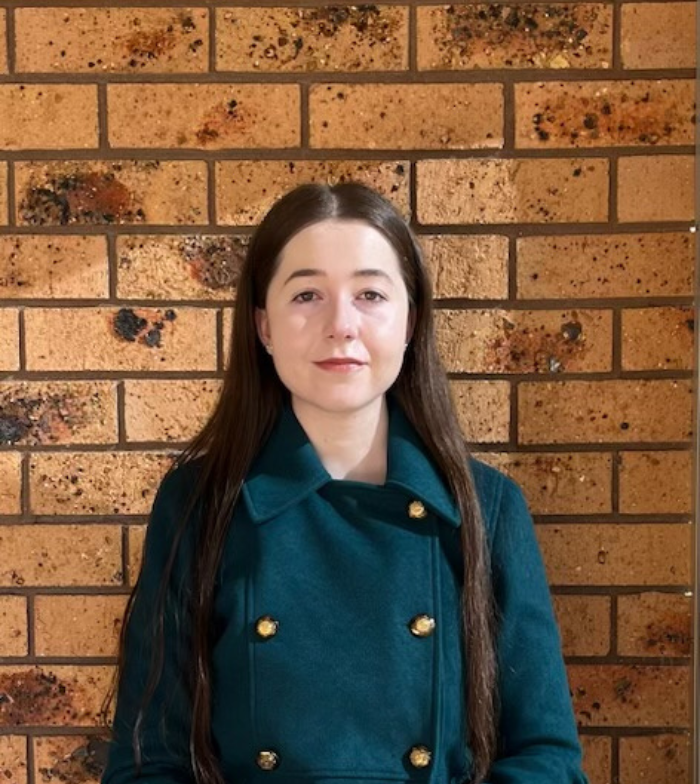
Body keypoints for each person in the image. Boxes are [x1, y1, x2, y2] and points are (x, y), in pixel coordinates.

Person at [99, 181, 589, 784]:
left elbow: (547, 757)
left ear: (410, 320)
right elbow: (148, 762)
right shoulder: (201, 504)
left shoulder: (487, 510)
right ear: (264, 326)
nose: (341, 325)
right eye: (307, 294)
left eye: (370, 294)